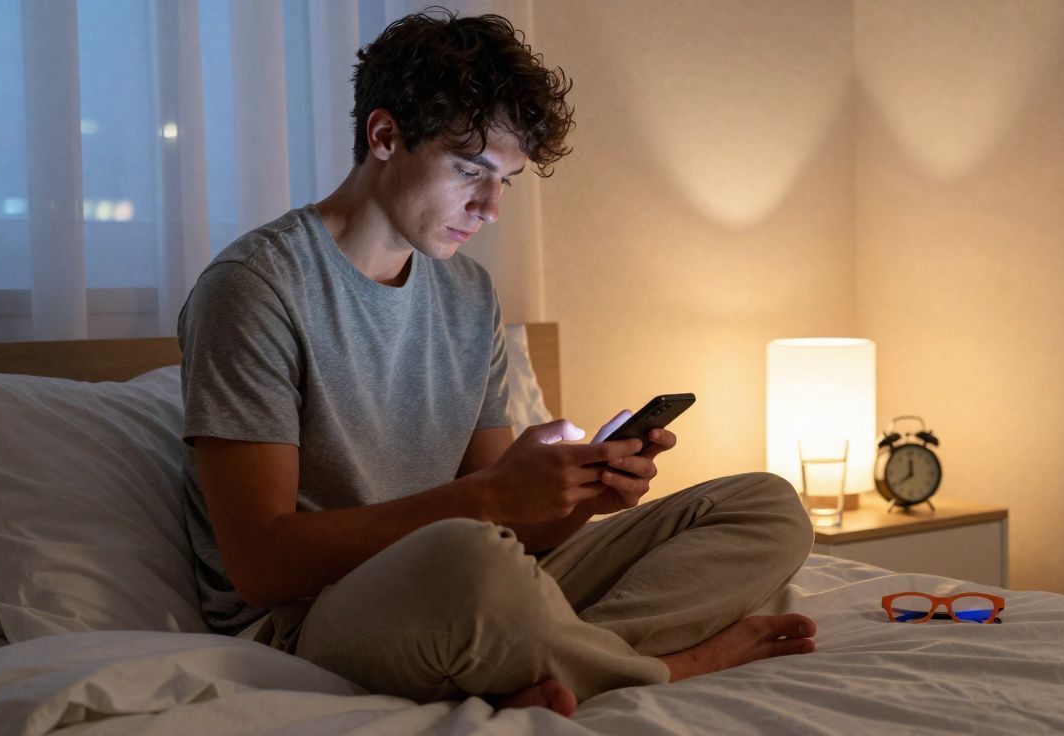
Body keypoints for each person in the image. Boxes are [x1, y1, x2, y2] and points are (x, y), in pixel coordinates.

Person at [177, 8, 816, 717]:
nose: (490, 208)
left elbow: (511, 526)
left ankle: (559, 657)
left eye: (505, 180)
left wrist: (580, 499)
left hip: (472, 585)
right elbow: (261, 563)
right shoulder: (255, 287)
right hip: (312, 617)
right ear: (384, 136)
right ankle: (668, 665)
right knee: (468, 563)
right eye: (469, 170)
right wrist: (487, 503)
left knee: (767, 506)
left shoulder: (467, 292)